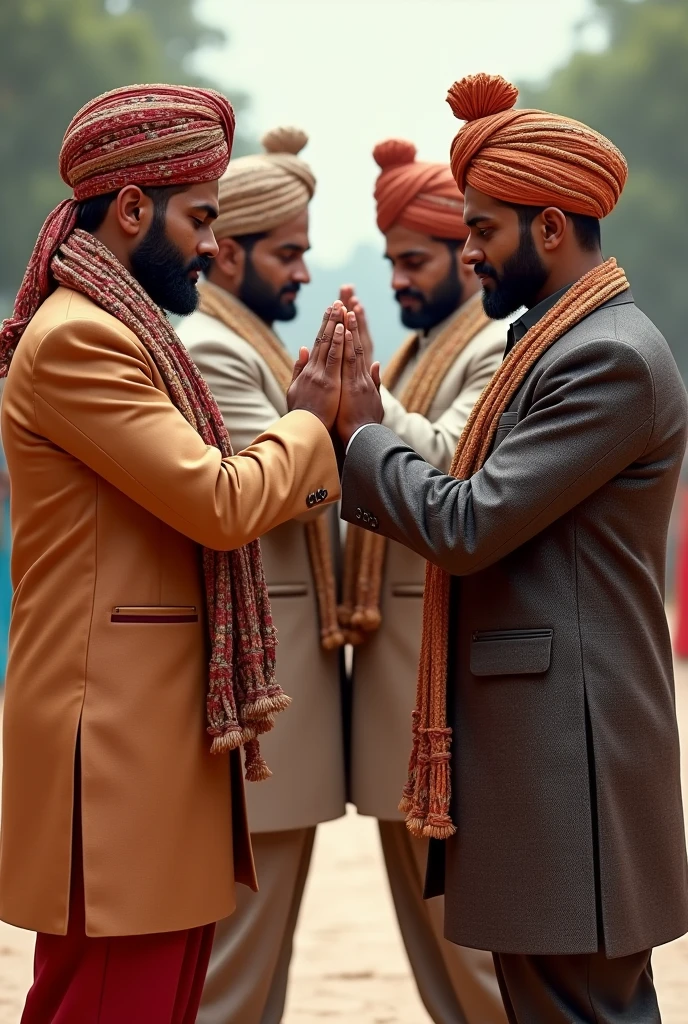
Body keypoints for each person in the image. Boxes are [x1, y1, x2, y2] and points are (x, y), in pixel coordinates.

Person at [334, 73, 688, 1023]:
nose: (472, 253)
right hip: (549, 753)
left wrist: (362, 436)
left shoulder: (605, 356)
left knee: (581, 1010)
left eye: (483, 231)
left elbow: (469, 522)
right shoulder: (559, 343)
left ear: (548, 229)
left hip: (571, 756)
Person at [0, 84, 355, 1024]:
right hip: (116, 752)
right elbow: (220, 500)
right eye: (199, 219)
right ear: (131, 209)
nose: (208, 244)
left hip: (149, 749)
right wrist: (310, 425)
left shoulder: (125, 331)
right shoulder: (82, 339)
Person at [177, 127, 346, 1024]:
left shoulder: (251, 345)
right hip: (261, 703)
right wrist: (329, 423)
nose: (304, 274)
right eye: (289, 253)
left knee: (255, 974)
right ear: (229, 252)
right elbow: (276, 490)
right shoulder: (213, 347)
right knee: (234, 979)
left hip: (288, 705)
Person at [337, 139, 507, 1024]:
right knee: (432, 960)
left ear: (465, 258)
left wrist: (362, 398)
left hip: (441, 695)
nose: (401, 278)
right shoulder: (418, 352)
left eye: (417, 259)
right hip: (395, 693)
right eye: (393, 260)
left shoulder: (491, 348)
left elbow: (448, 467)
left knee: (471, 954)